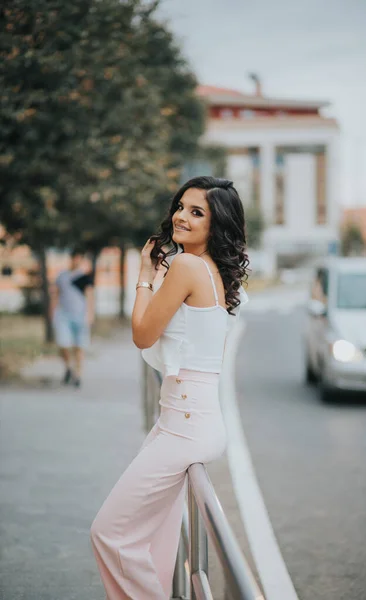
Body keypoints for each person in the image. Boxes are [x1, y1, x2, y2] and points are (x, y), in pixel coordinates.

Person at [90, 176, 249, 599]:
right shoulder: (210, 270)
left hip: (185, 425)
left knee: (108, 532)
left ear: (217, 226)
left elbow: (143, 334)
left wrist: (143, 275)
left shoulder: (187, 266)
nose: (181, 216)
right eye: (181, 206)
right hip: (185, 418)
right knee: (155, 533)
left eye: (197, 212)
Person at [51, 248, 95, 388]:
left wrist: (89, 315)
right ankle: (68, 367)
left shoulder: (84, 278)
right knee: (63, 344)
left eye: (79, 258)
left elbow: (90, 297)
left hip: (80, 316)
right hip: (63, 315)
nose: (76, 260)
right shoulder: (62, 276)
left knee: (79, 347)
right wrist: (52, 312)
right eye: (74, 257)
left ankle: (78, 375)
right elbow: (56, 295)